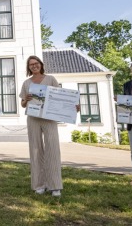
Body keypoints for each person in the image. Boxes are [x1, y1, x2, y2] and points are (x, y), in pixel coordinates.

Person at [19, 55, 79, 197]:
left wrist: (72, 107)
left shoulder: (51, 79)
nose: (34, 66)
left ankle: (55, 185)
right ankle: (39, 184)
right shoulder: (26, 83)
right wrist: (25, 100)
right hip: (33, 118)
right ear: (29, 67)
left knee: (52, 149)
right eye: (31, 64)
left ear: (41, 64)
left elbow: (60, 97)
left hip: (49, 118)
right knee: (35, 150)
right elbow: (22, 105)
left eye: (36, 63)